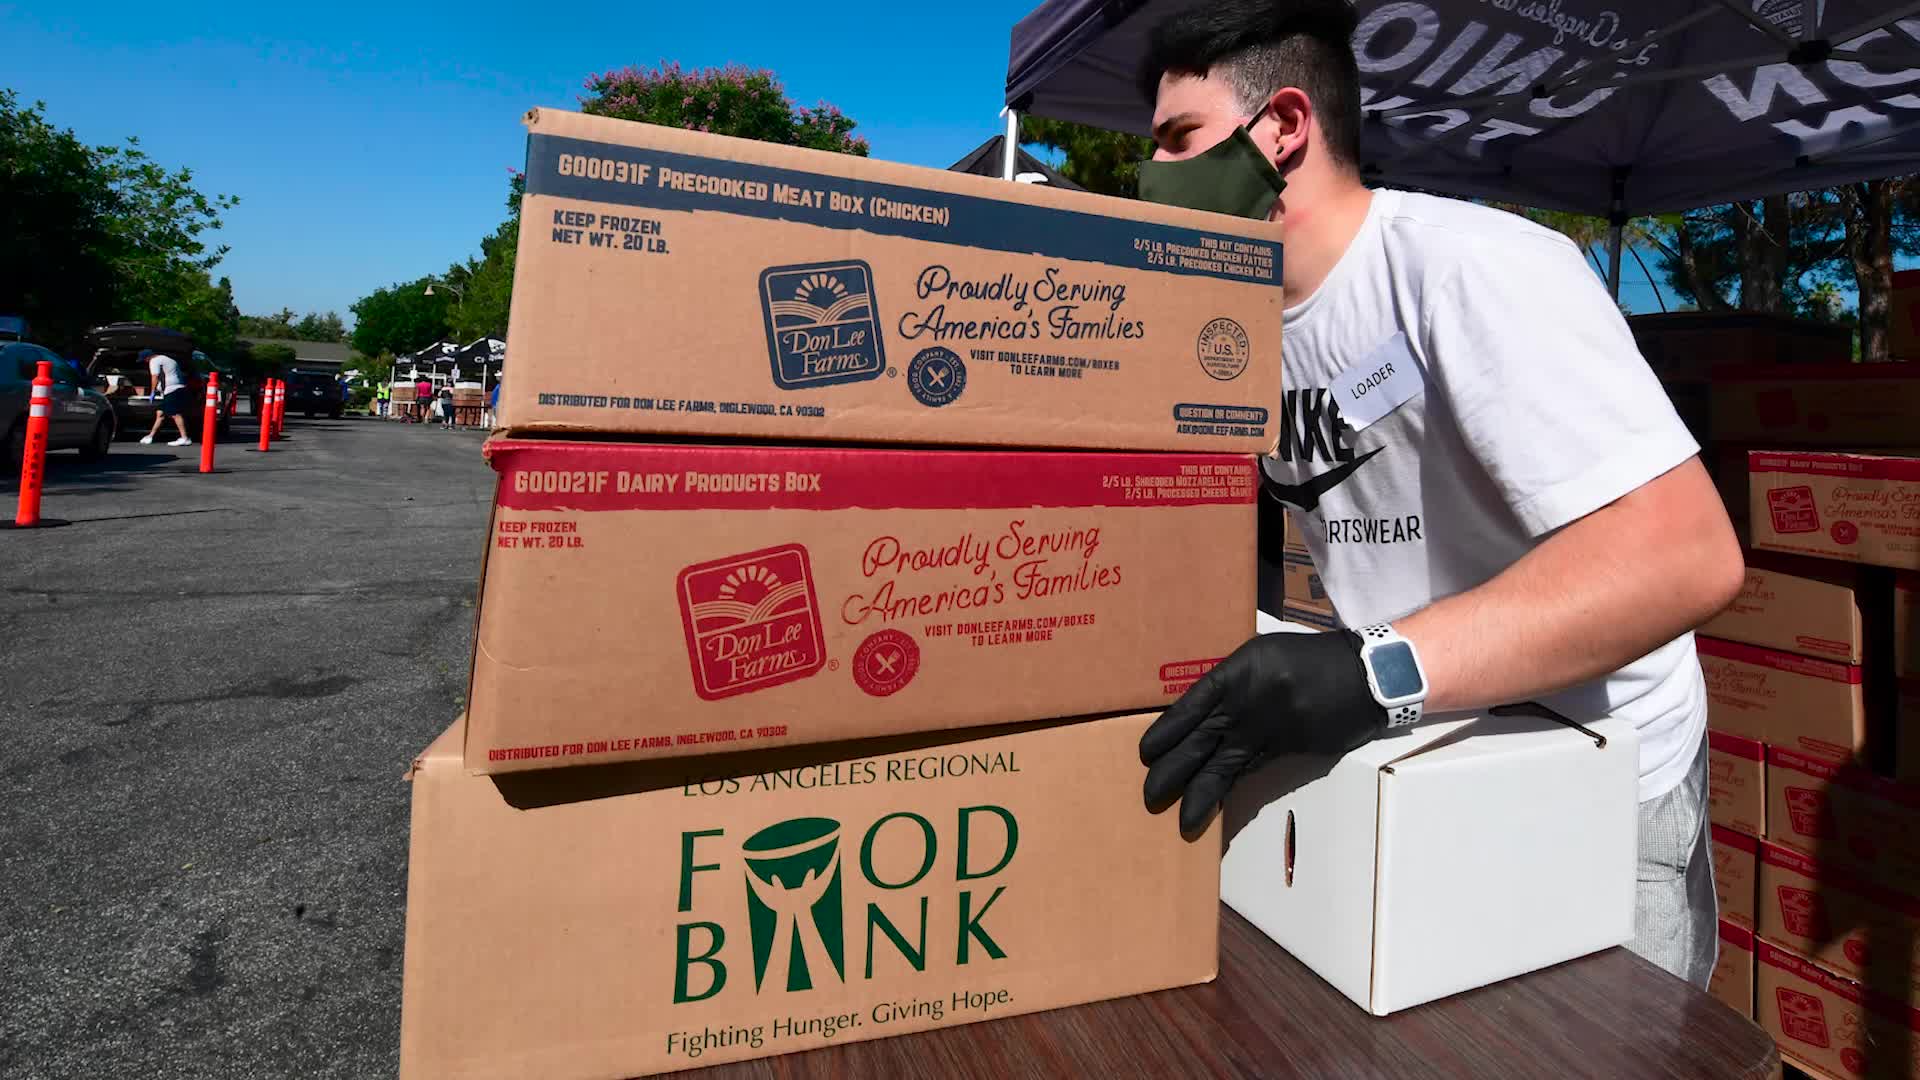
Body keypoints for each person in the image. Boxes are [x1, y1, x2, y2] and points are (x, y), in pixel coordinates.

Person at [1132, 0, 1742, 989]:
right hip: (1421, 753)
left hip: (1596, 780)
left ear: (1282, 127)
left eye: (1177, 139)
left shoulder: (1470, 270)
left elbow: (1687, 556)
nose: (1150, 174)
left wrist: (1375, 670)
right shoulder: (1238, 328)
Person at [138, 349, 193, 446]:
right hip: (176, 389)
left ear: (148, 357)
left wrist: (152, 392)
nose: (145, 362)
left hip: (172, 389)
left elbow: (155, 377)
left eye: (144, 360)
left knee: (175, 414)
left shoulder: (154, 361)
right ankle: (150, 436)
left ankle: (185, 438)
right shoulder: (167, 359)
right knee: (160, 413)